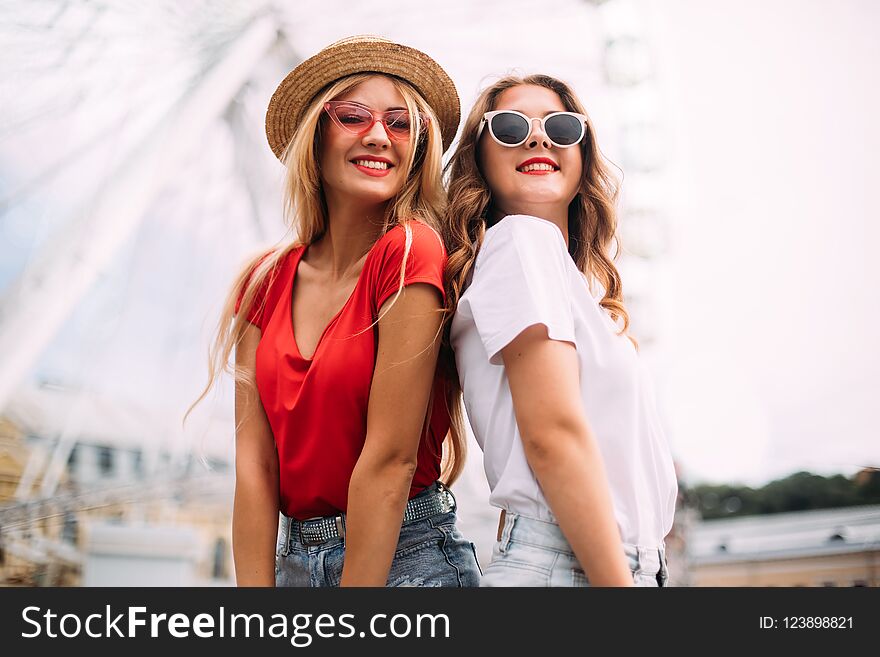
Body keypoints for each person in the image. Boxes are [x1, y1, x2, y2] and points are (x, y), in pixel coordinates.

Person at [192, 36, 479, 587]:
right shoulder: (262, 282)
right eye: (352, 116)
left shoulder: (410, 253)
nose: (378, 135)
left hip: (405, 561)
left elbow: (390, 462)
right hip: (295, 562)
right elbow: (255, 471)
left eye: (401, 124)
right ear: (314, 136)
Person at [443, 74, 678, 586]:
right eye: (508, 127)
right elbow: (551, 438)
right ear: (478, 159)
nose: (538, 137)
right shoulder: (519, 242)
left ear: (583, 151)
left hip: (592, 564)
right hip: (581, 568)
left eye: (562, 127)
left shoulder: (556, 278)